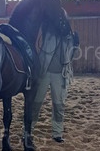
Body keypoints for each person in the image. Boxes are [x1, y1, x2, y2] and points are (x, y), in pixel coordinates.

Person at [32, 12, 79, 143]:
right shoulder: (47, 31)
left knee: (59, 105)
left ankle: (57, 133)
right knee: (36, 103)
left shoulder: (68, 36)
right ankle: (28, 129)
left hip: (60, 74)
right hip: (44, 72)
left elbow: (70, 57)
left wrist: (76, 45)